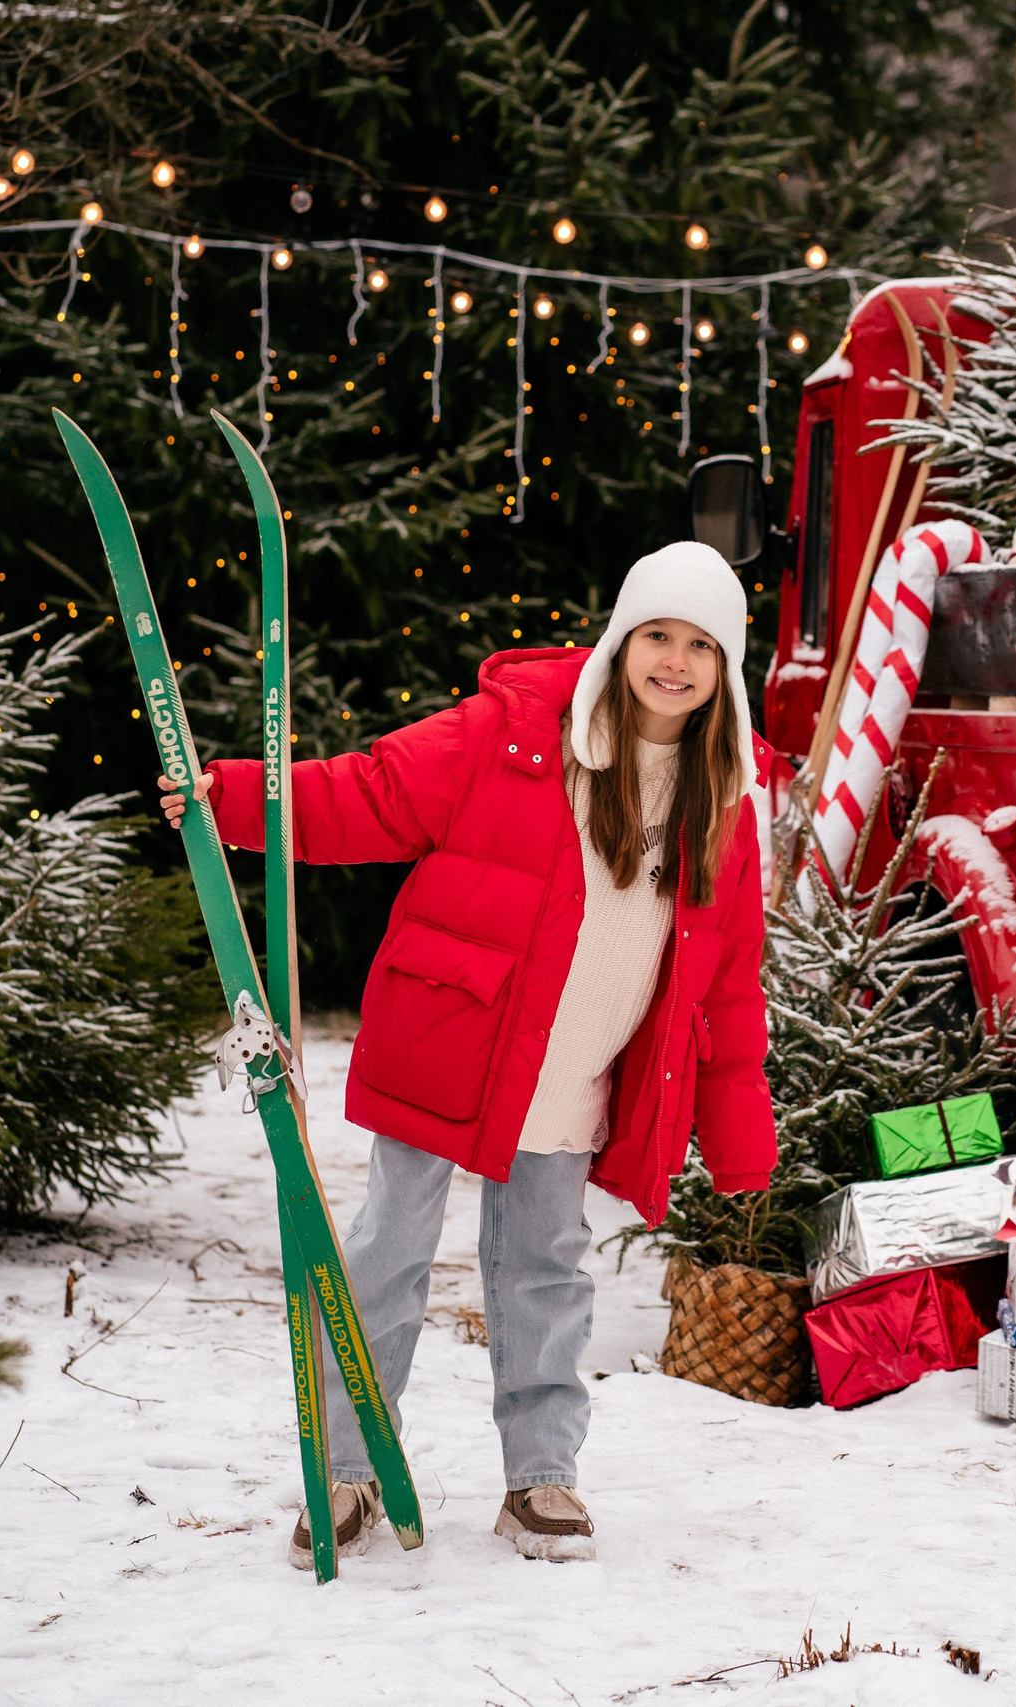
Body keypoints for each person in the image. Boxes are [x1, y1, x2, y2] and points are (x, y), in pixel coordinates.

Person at [158, 542, 775, 1565]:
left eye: (699, 645)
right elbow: (371, 792)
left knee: (545, 1272)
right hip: (452, 1043)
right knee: (388, 1253)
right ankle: (348, 1469)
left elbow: (728, 986)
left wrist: (743, 1144)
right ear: (622, 640)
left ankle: (542, 1481)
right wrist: (230, 799)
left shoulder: (725, 810)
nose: (674, 661)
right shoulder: (517, 735)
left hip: (575, 1077)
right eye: (657, 635)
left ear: (726, 668)